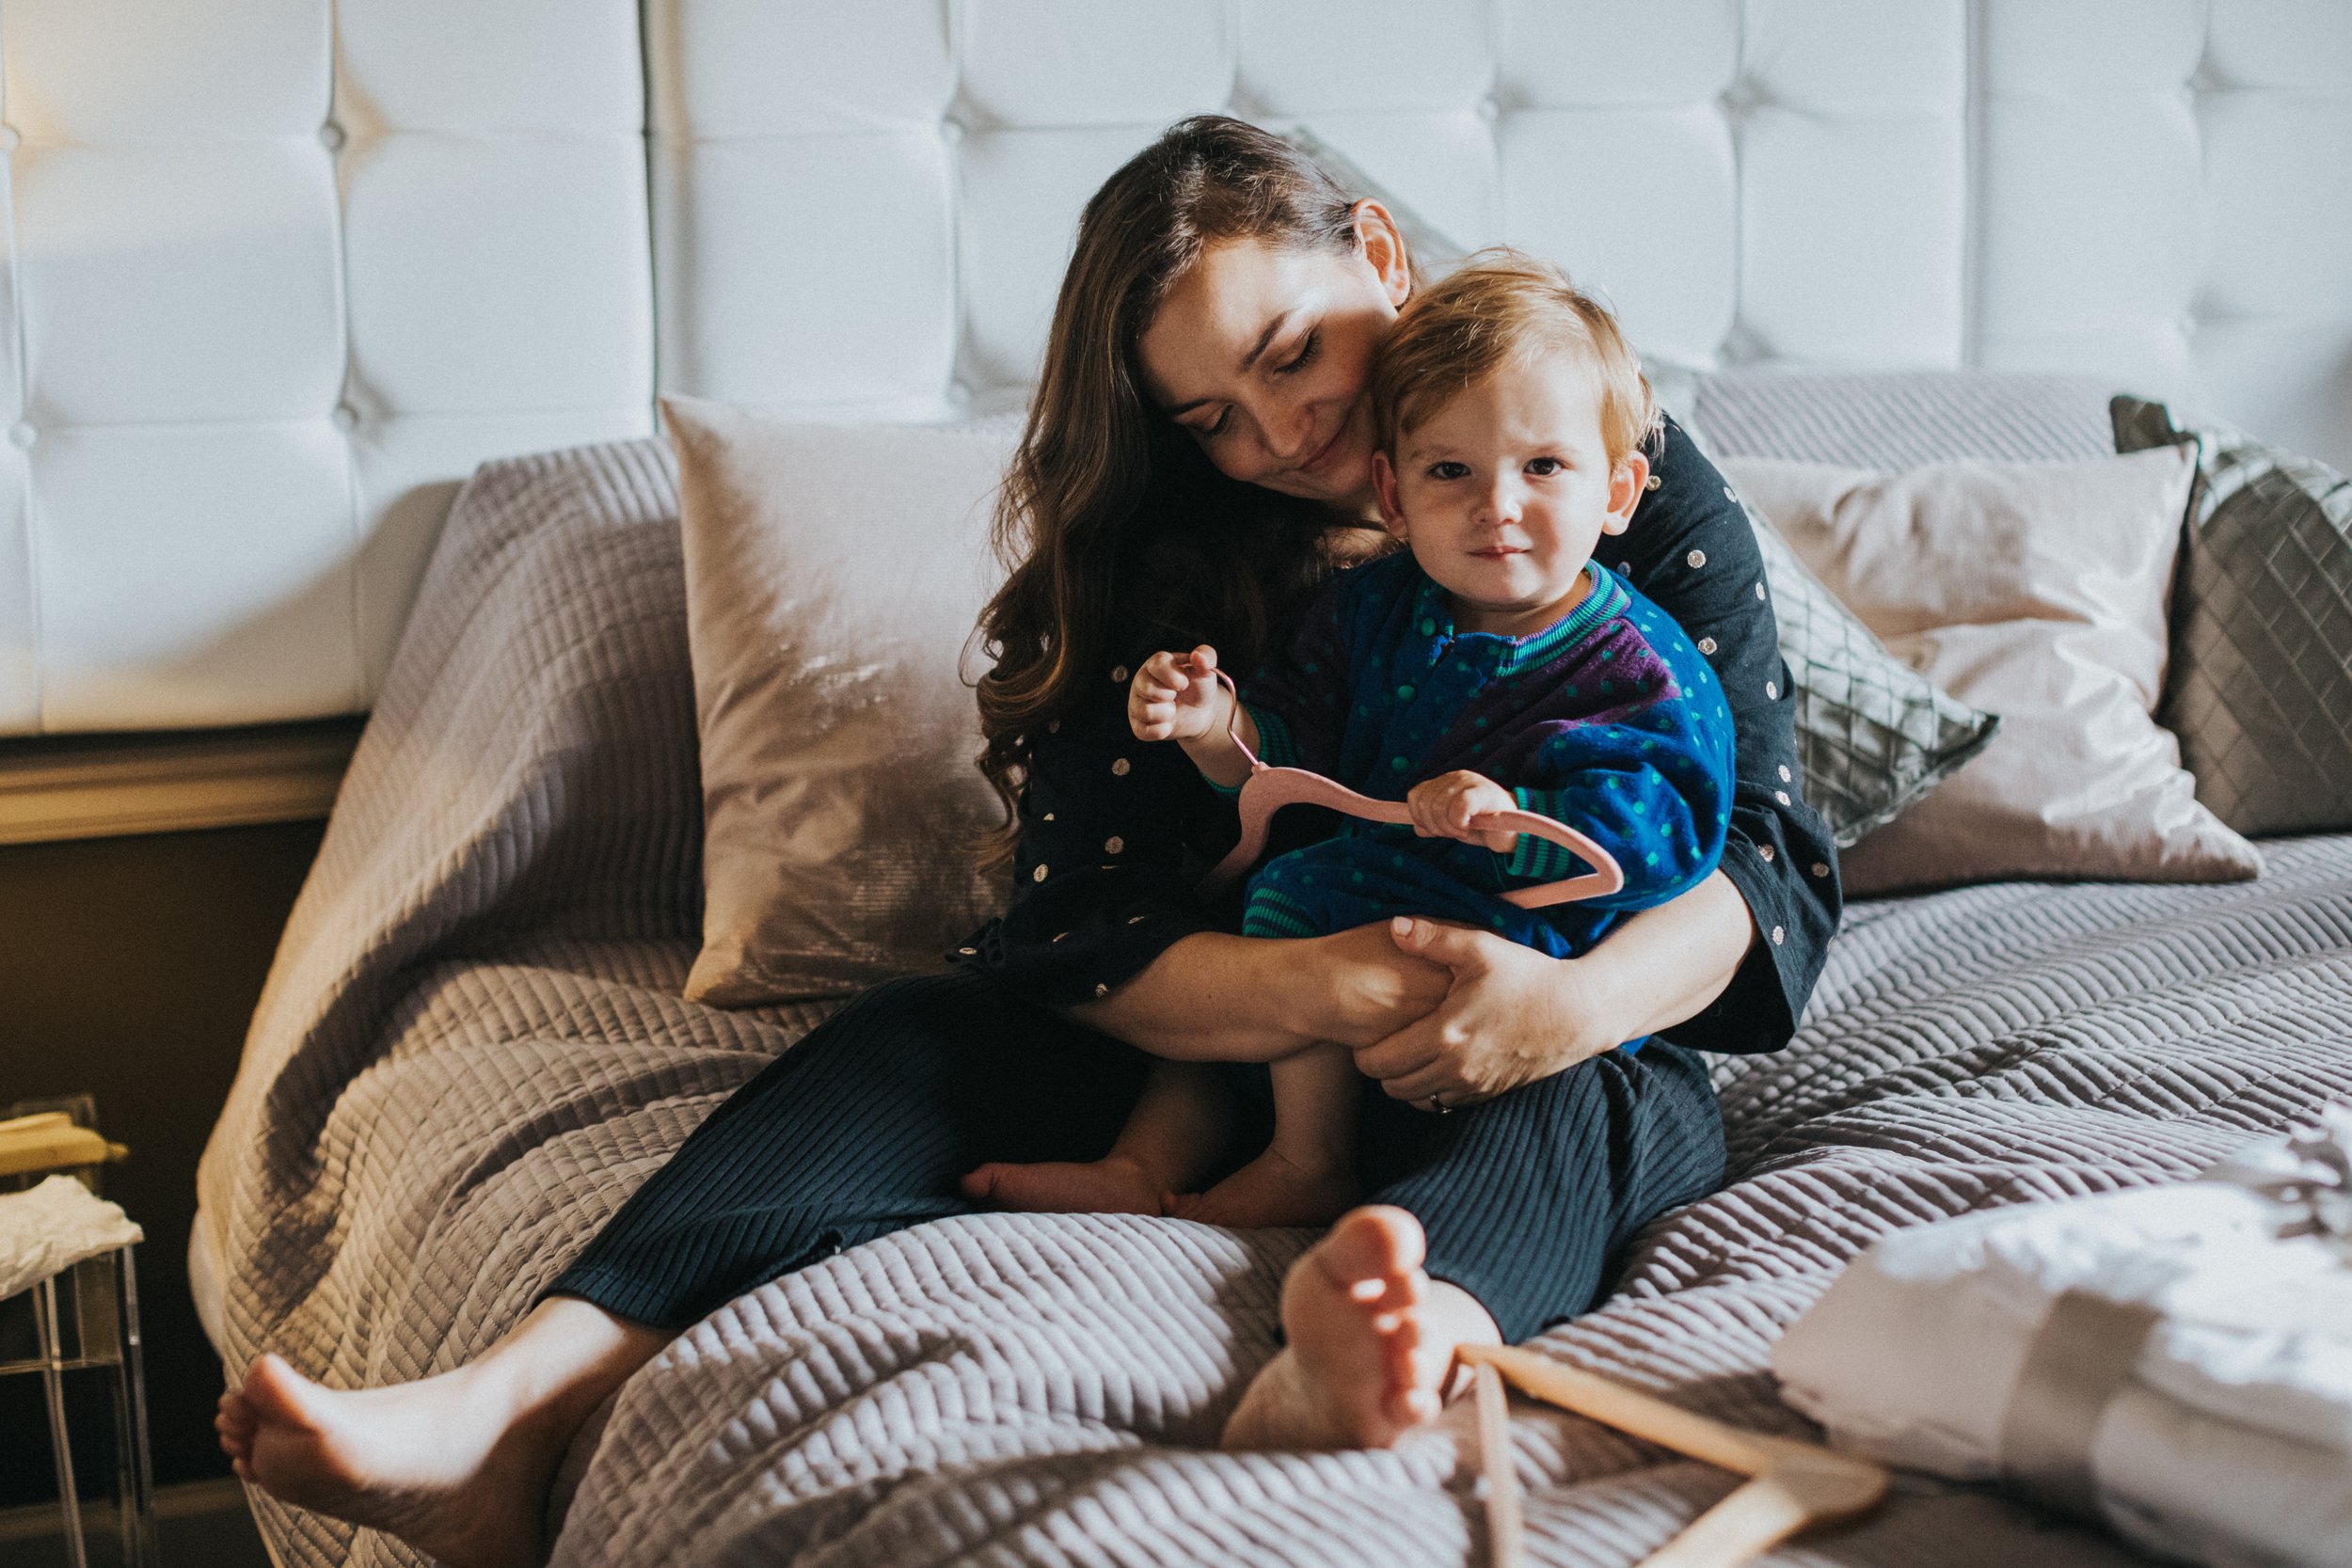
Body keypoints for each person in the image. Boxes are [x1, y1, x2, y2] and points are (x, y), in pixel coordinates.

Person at [215, 116, 1839, 1568]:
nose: (1271, 437)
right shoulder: (1166, 556)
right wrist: (1332, 981)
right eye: (1210, 412)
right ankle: (505, 1411)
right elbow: (1087, 938)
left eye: (1291, 352)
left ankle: (1371, 1344)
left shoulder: (1575, 432)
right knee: (916, 1035)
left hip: (1549, 1006)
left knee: (1618, 1098)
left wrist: (1562, 1005)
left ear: (1380, 253)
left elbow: (1760, 855)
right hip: (1249, 1014)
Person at [999, 252, 1735, 1229]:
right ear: (1394, 497)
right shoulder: (1370, 609)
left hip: (1528, 932)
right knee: (1247, 918)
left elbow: (1674, 829)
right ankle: (1141, 1165)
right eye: (1449, 472)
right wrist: (1214, 726)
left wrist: (1510, 817)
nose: (1497, 505)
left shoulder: (1639, 661)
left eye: (1544, 467)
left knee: (1299, 900)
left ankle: (1312, 1160)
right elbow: (1285, 751)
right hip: (1375, 887)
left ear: (1618, 491)